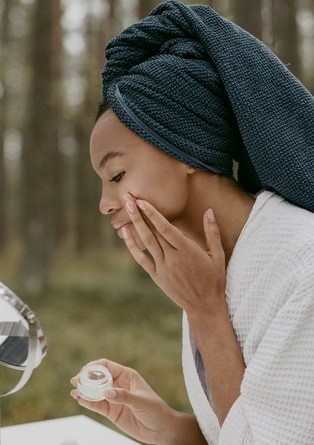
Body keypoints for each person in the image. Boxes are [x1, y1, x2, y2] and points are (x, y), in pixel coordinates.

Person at [70, 1, 314, 444]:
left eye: (117, 175)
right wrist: (169, 428)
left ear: (181, 148)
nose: (106, 204)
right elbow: (244, 427)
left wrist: (206, 312)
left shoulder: (304, 264)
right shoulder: (210, 264)